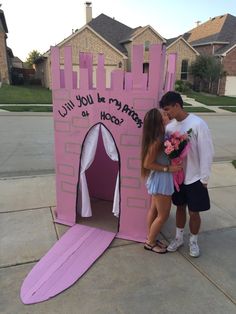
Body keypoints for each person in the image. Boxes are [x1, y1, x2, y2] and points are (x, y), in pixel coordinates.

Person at [159, 91, 214, 257]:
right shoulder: (170, 127)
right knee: (180, 208)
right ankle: (178, 238)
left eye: (168, 109)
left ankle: (193, 241)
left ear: (177, 105)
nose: (166, 114)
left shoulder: (198, 124)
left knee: (194, 212)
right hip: (178, 178)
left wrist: (204, 178)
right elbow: (167, 153)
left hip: (195, 177)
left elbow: (207, 152)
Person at [141, 108, 182, 254]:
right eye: (164, 115)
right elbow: (147, 163)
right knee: (163, 215)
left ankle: (151, 237)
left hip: (159, 178)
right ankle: (150, 243)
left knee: (154, 209)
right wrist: (168, 169)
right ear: (159, 121)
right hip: (161, 180)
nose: (167, 115)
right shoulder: (158, 139)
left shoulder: (161, 136)